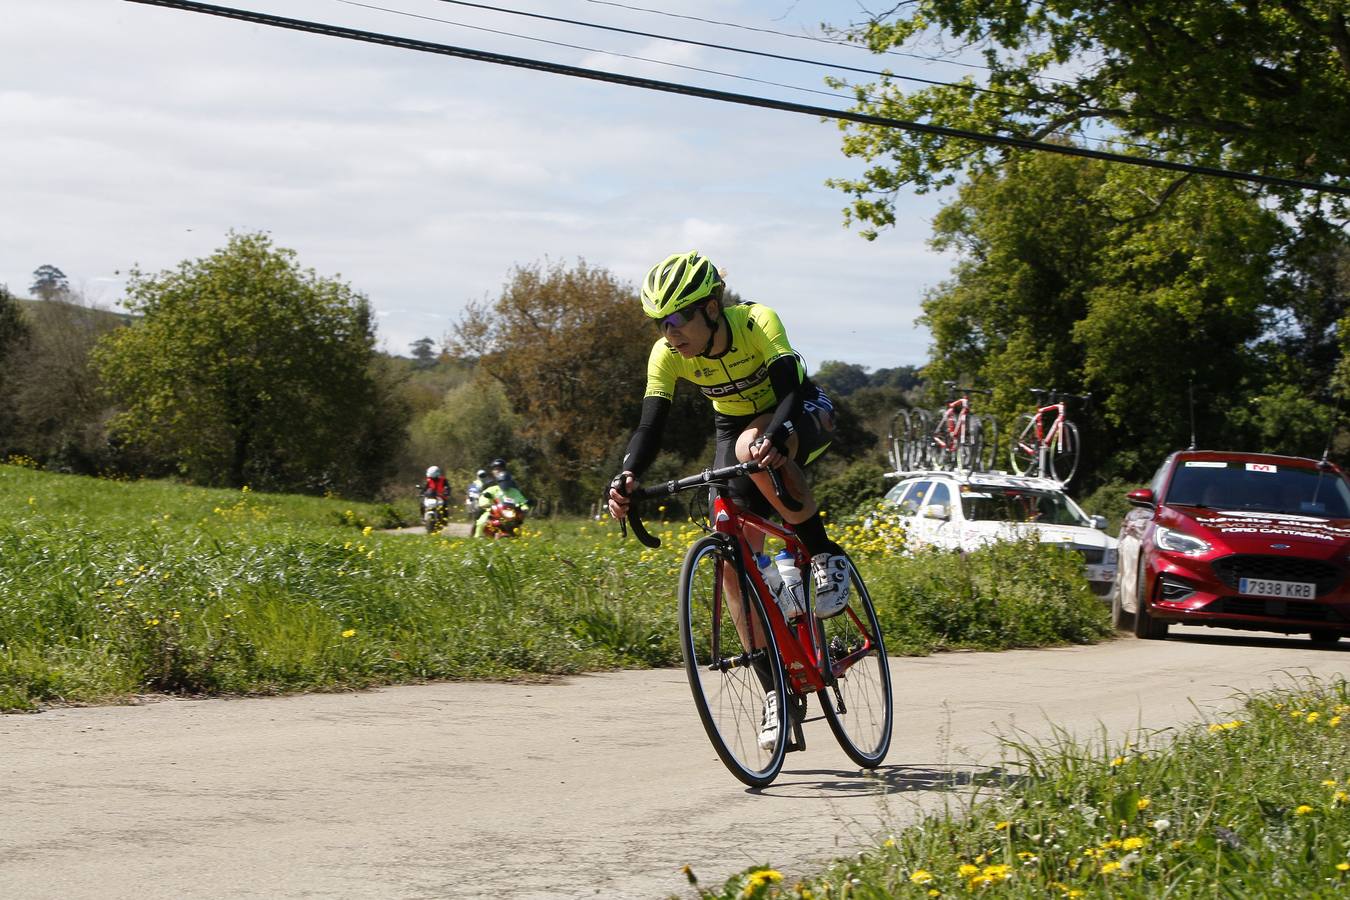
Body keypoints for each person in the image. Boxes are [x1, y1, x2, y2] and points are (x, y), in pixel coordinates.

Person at [606, 251, 851, 750]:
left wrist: (775, 436)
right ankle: (777, 691)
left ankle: (825, 554)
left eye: (676, 320)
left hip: (799, 410)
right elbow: (650, 425)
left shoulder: (756, 321)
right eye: (659, 323)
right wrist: (628, 475)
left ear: (712, 307)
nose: (668, 333)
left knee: (750, 451)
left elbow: (788, 387)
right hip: (734, 422)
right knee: (729, 552)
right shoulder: (667, 354)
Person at [474, 473, 531, 537]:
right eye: (502, 481)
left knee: (517, 524)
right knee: (482, 522)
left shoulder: (514, 491)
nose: (504, 483)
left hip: (510, 513)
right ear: (498, 482)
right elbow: (484, 496)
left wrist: (524, 507)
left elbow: (521, 501)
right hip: (493, 512)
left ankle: (518, 538)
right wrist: (486, 504)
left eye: (507, 481)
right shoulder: (493, 489)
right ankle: (477, 538)